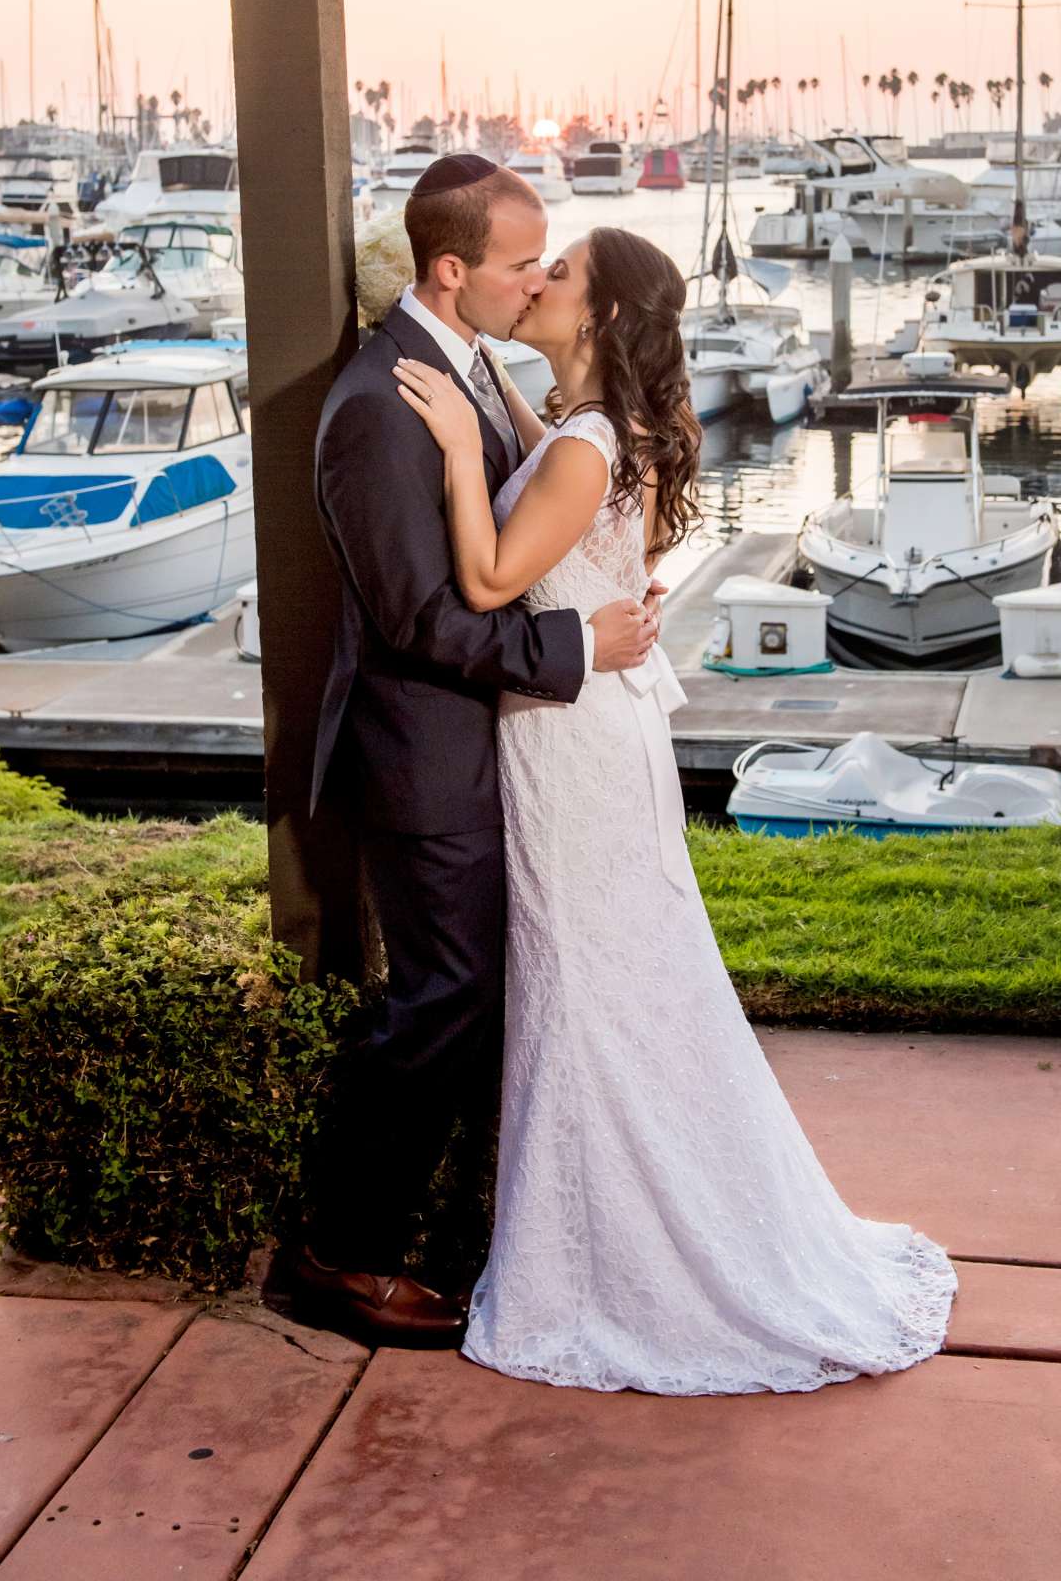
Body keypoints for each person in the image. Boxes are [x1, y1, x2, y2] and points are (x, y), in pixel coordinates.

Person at [394, 224, 956, 1394]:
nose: (540, 281)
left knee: (589, 983)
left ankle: (613, 1273)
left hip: (570, 742)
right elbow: (601, 547)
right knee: (623, 974)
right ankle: (616, 1243)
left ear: (598, 318)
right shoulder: (607, 433)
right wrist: (482, 380)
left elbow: (495, 580)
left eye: (562, 275)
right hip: (600, 728)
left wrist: (456, 447)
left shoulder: (585, 449)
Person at [285, 156, 658, 1350]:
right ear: (452, 271)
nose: (539, 276)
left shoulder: (480, 369)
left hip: (492, 749)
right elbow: (420, 620)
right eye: (520, 263)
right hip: (422, 759)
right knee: (443, 997)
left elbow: (526, 528)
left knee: (480, 994)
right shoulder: (377, 410)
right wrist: (576, 647)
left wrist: (596, 586)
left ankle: (475, 1226)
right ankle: (336, 1257)